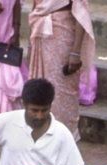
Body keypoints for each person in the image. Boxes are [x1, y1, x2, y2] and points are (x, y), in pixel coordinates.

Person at [28, 0, 95, 140]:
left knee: (62, 95)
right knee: (39, 91)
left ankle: (65, 141)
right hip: (40, 36)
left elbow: (81, 14)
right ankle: (43, 141)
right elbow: (36, 7)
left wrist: (76, 52)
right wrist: (30, 46)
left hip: (62, 36)